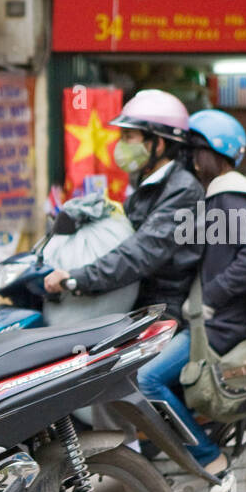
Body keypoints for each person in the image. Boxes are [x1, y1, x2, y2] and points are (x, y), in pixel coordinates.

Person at [134, 109, 246, 478]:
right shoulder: (218, 197)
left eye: (195, 152)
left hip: (220, 326)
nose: (191, 161)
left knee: (147, 380)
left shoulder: (232, 197)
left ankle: (210, 457)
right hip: (206, 320)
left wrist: (210, 298)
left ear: (211, 153)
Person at [43, 89, 204, 325]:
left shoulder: (183, 191)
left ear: (157, 144)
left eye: (129, 137)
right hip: (132, 301)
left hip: (161, 310)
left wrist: (79, 278)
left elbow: (142, 252)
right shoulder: (147, 184)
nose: (121, 145)